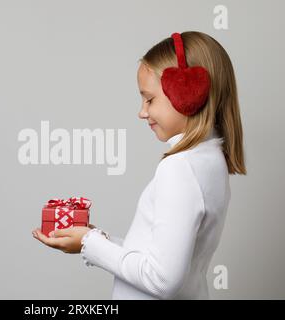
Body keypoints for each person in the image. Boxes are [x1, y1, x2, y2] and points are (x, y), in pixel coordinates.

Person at [32, 31, 246, 299]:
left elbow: (162, 280)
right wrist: (95, 238)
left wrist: (88, 243)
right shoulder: (211, 160)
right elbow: (158, 257)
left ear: (189, 93)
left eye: (150, 99)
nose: (142, 112)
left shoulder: (179, 168)